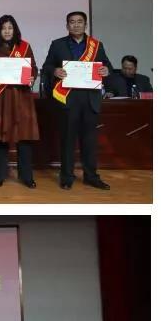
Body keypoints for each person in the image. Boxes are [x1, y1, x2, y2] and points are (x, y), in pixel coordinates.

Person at [42, 11, 113, 190]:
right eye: (72, 22)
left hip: (90, 99)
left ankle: (91, 176)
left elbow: (107, 66)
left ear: (85, 25)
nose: (76, 25)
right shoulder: (57, 44)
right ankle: (67, 176)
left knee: (89, 141)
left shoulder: (96, 45)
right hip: (68, 98)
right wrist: (55, 71)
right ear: (67, 26)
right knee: (67, 140)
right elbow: (47, 66)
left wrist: (106, 71)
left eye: (79, 22)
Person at [0, 15, 40, 188]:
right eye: (3, 28)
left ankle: (26, 176)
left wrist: (32, 77)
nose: (7, 31)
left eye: (10, 28)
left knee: (24, 138)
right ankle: (0, 175)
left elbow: (33, 68)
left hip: (21, 97)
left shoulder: (24, 47)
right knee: (1, 138)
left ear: (15, 30)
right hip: (0, 97)